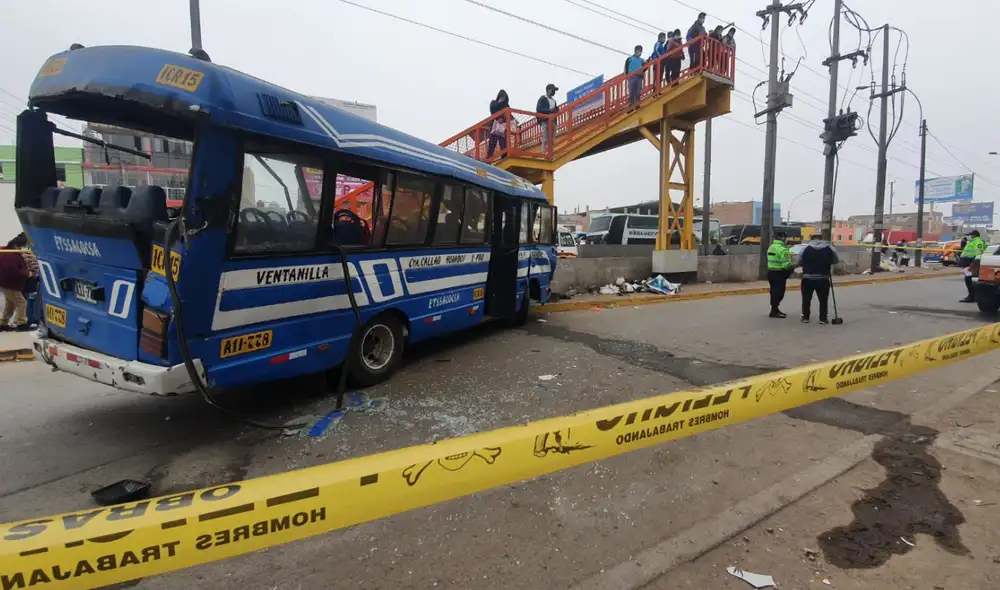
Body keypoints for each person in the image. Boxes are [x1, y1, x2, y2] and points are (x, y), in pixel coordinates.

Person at [797, 233, 840, 324]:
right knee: (823, 299)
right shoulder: (829, 247)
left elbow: (799, 261)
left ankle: (805, 317)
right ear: (821, 239)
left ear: (812, 239)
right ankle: (823, 318)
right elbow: (836, 260)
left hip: (807, 277)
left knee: (806, 298)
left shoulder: (805, 248)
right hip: (823, 277)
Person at [0, 235, 31, 331]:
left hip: (5, 283)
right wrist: (27, 274)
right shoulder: (11, 256)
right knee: (22, 303)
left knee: (10, 304)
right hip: (10, 284)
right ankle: (21, 323)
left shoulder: (7, 253)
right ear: (16, 246)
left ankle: (3, 323)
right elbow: (11, 271)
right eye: (22, 246)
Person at [766, 231, 793, 318]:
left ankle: (774, 309)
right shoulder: (783, 250)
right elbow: (786, 265)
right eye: (785, 238)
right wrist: (794, 266)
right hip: (779, 274)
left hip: (770, 273)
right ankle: (774, 311)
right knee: (779, 293)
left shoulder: (771, 247)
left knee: (773, 292)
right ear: (782, 238)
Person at [959, 230, 987, 303]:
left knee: (969, 280)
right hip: (967, 264)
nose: (968, 237)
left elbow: (978, 253)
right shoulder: (971, 242)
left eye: (970, 235)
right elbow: (964, 251)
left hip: (972, 264)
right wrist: (963, 243)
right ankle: (972, 296)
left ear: (974, 235)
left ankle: (972, 297)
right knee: (969, 280)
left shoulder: (978, 242)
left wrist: (973, 264)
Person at [536, 83, 559, 153]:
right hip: (545, 120)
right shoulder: (543, 98)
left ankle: (551, 153)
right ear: (548, 90)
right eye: (553, 90)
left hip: (553, 121)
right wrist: (549, 111)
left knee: (552, 139)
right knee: (545, 138)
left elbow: (555, 110)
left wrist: (556, 110)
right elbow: (538, 109)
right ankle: (544, 153)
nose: (554, 92)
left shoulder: (554, 101)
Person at [487, 89, 510, 159]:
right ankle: (489, 158)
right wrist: (498, 118)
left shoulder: (506, 105)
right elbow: (492, 110)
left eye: (504, 98)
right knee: (492, 142)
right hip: (494, 124)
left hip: (502, 125)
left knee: (503, 142)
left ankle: (504, 156)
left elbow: (508, 114)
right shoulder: (493, 103)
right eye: (502, 97)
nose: (503, 99)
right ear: (499, 96)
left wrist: (502, 119)